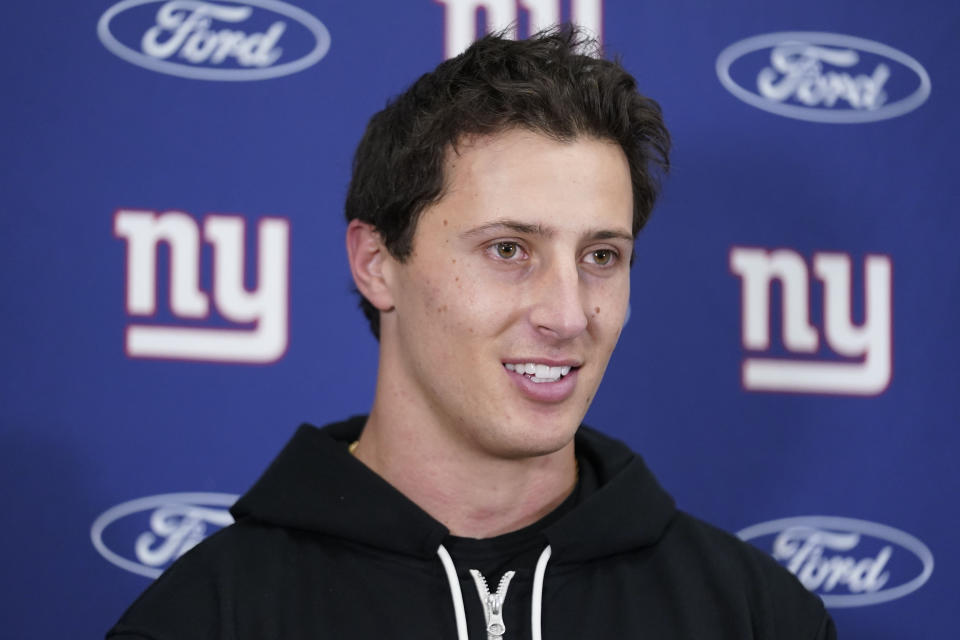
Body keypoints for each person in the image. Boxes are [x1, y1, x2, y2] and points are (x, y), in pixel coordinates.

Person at [107, 27, 836, 640]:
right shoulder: (213, 615)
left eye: (601, 257)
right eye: (509, 250)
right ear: (375, 263)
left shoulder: (755, 616)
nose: (567, 313)